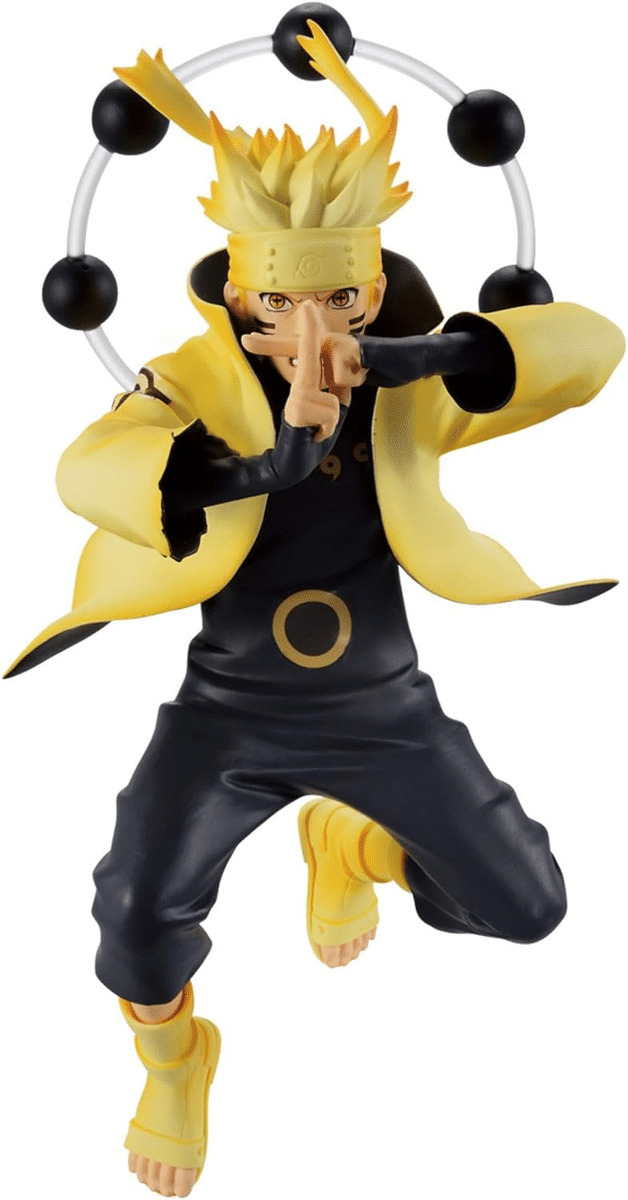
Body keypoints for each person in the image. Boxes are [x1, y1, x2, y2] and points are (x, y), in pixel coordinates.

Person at [5, 22, 624, 1199]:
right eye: (278, 302)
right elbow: (87, 469)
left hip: (382, 708)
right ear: (235, 289)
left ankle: (353, 841)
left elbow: (591, 348)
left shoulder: (412, 389)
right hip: (226, 717)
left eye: (339, 298)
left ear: (374, 288)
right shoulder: (191, 384)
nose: (309, 331)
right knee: (132, 916)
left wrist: (414, 360)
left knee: (525, 906)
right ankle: (177, 1060)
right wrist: (258, 461)